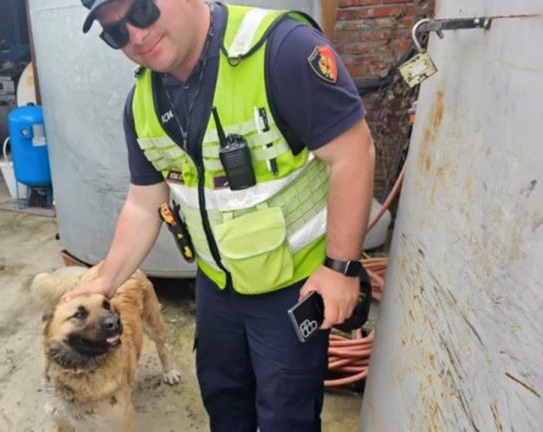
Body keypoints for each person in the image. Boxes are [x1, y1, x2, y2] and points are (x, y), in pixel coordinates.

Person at [66, 0, 375, 430]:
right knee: (223, 399)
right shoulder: (142, 103)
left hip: (293, 287)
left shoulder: (281, 50)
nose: (135, 36)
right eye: (116, 33)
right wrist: (105, 279)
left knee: (287, 415)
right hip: (217, 286)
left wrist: (341, 268)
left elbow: (352, 153)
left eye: (140, 12)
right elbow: (143, 203)